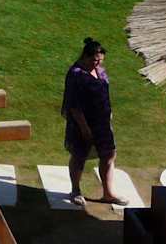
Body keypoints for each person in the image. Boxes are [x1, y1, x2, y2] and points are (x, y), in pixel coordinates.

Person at [62, 38, 125, 207]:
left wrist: (109, 114)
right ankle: (75, 190)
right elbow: (73, 105)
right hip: (82, 123)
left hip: (102, 122)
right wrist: (84, 128)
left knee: (109, 154)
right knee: (79, 155)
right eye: (94, 60)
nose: (97, 63)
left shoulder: (100, 71)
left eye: (100, 60)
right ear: (85, 56)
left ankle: (108, 193)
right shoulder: (76, 74)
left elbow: (104, 94)